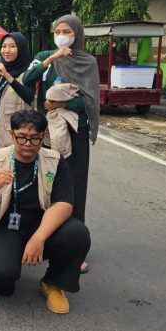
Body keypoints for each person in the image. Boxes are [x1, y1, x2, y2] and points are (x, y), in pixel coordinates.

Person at [0, 109, 91, 314]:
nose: (28, 144)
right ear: (12, 134)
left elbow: (64, 204)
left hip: (39, 224)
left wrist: (39, 238)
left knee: (77, 233)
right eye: (22, 138)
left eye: (34, 139)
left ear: (43, 136)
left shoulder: (54, 161)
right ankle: (8, 269)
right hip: (1, 226)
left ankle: (53, 283)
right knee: (0, 275)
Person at [23, 15, 99, 273]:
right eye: (58, 30)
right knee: (42, 184)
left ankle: (75, 251)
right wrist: (52, 58)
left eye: (67, 30)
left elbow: (91, 102)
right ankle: (39, 238)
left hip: (74, 132)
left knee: (75, 188)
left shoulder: (87, 62)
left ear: (77, 33)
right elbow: (27, 78)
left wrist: (63, 104)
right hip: (44, 133)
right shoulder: (45, 55)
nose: (63, 34)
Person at [0, 33, 35, 150]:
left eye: (12, 46)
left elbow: (29, 97)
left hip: (13, 125)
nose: (6, 50)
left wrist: (7, 75)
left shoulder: (28, 72)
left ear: (21, 49)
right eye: (4, 46)